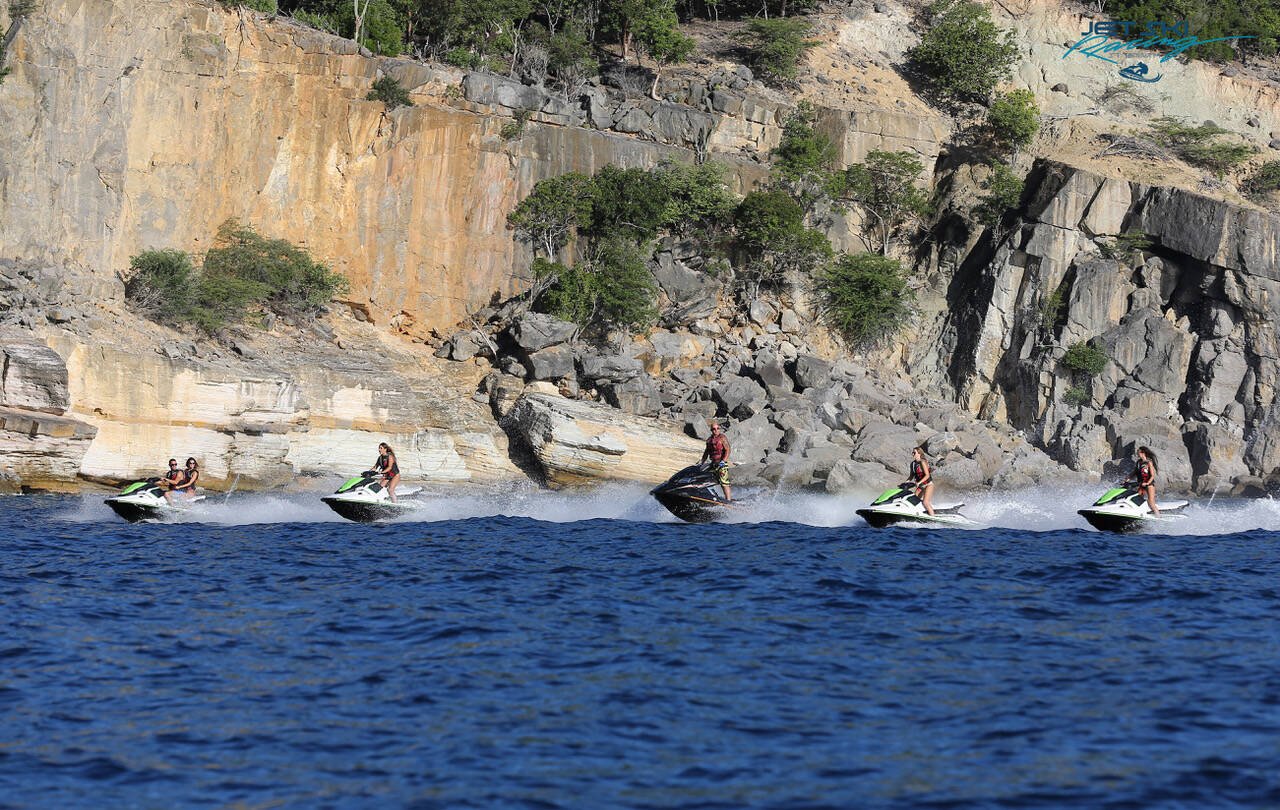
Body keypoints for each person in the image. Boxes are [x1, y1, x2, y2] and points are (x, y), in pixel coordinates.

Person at [1123, 445, 1160, 516]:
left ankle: (1158, 516)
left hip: (1149, 485)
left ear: (1143, 453)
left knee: (1151, 503)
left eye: (1138, 452)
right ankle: (1140, 514)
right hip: (1141, 484)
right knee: (1137, 500)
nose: (1137, 453)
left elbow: (1152, 476)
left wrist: (1147, 483)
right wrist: (1127, 480)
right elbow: (1134, 473)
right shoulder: (1138, 462)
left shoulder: (1149, 462)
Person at [700, 422, 731, 502]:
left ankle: (728, 500)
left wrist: (724, 461)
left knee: (724, 482)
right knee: (707, 480)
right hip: (713, 464)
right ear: (711, 430)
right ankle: (711, 496)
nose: (716, 430)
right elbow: (706, 452)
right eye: (714, 429)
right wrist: (701, 462)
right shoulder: (709, 440)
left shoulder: (722, 438)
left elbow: (727, 450)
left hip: (721, 464)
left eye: (717, 428)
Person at [908, 446, 935, 516]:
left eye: (914, 453)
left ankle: (933, 518)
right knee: (912, 501)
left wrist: (919, 482)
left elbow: (927, 475)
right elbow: (911, 476)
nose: (913, 454)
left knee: (925, 502)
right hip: (921, 486)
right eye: (912, 453)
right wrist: (905, 483)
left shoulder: (923, 462)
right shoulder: (913, 464)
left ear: (919, 454)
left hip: (928, 485)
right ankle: (917, 513)